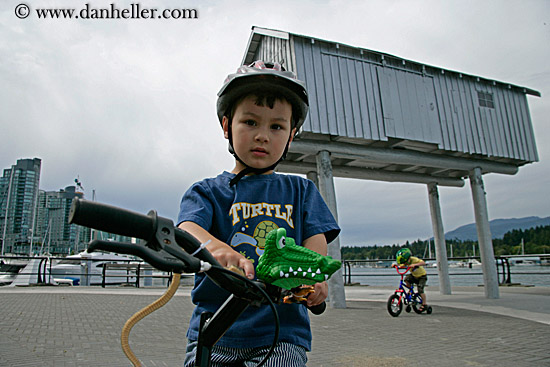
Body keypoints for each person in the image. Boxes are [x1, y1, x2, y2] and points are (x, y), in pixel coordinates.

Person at [177, 60, 340, 367]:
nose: (263, 135)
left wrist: (314, 277)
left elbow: (314, 241)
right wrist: (218, 249)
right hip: (214, 330)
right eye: (251, 122)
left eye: (276, 126)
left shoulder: (301, 191)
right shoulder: (208, 192)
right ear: (227, 126)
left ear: (291, 136)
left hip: (281, 334)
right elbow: (187, 228)